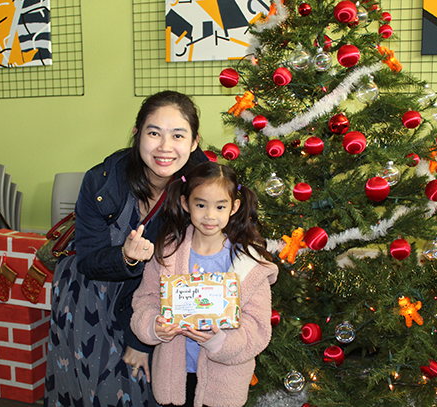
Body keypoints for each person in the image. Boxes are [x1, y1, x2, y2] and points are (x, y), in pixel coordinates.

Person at [44, 91, 208, 407]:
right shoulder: (102, 180)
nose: (164, 147)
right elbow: (89, 260)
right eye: (153, 133)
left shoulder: (204, 187)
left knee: (142, 387)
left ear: (194, 141)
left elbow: (198, 263)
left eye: (177, 135)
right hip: (91, 296)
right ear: (137, 134)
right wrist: (126, 256)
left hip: (153, 304)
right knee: (90, 382)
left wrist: (140, 341)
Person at [131, 162, 278, 407]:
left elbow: (259, 328)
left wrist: (218, 341)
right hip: (173, 377)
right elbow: (144, 300)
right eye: (201, 205)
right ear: (185, 203)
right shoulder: (168, 252)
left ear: (234, 207)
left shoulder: (249, 264)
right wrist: (154, 326)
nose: (210, 215)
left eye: (220, 206)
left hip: (223, 384)